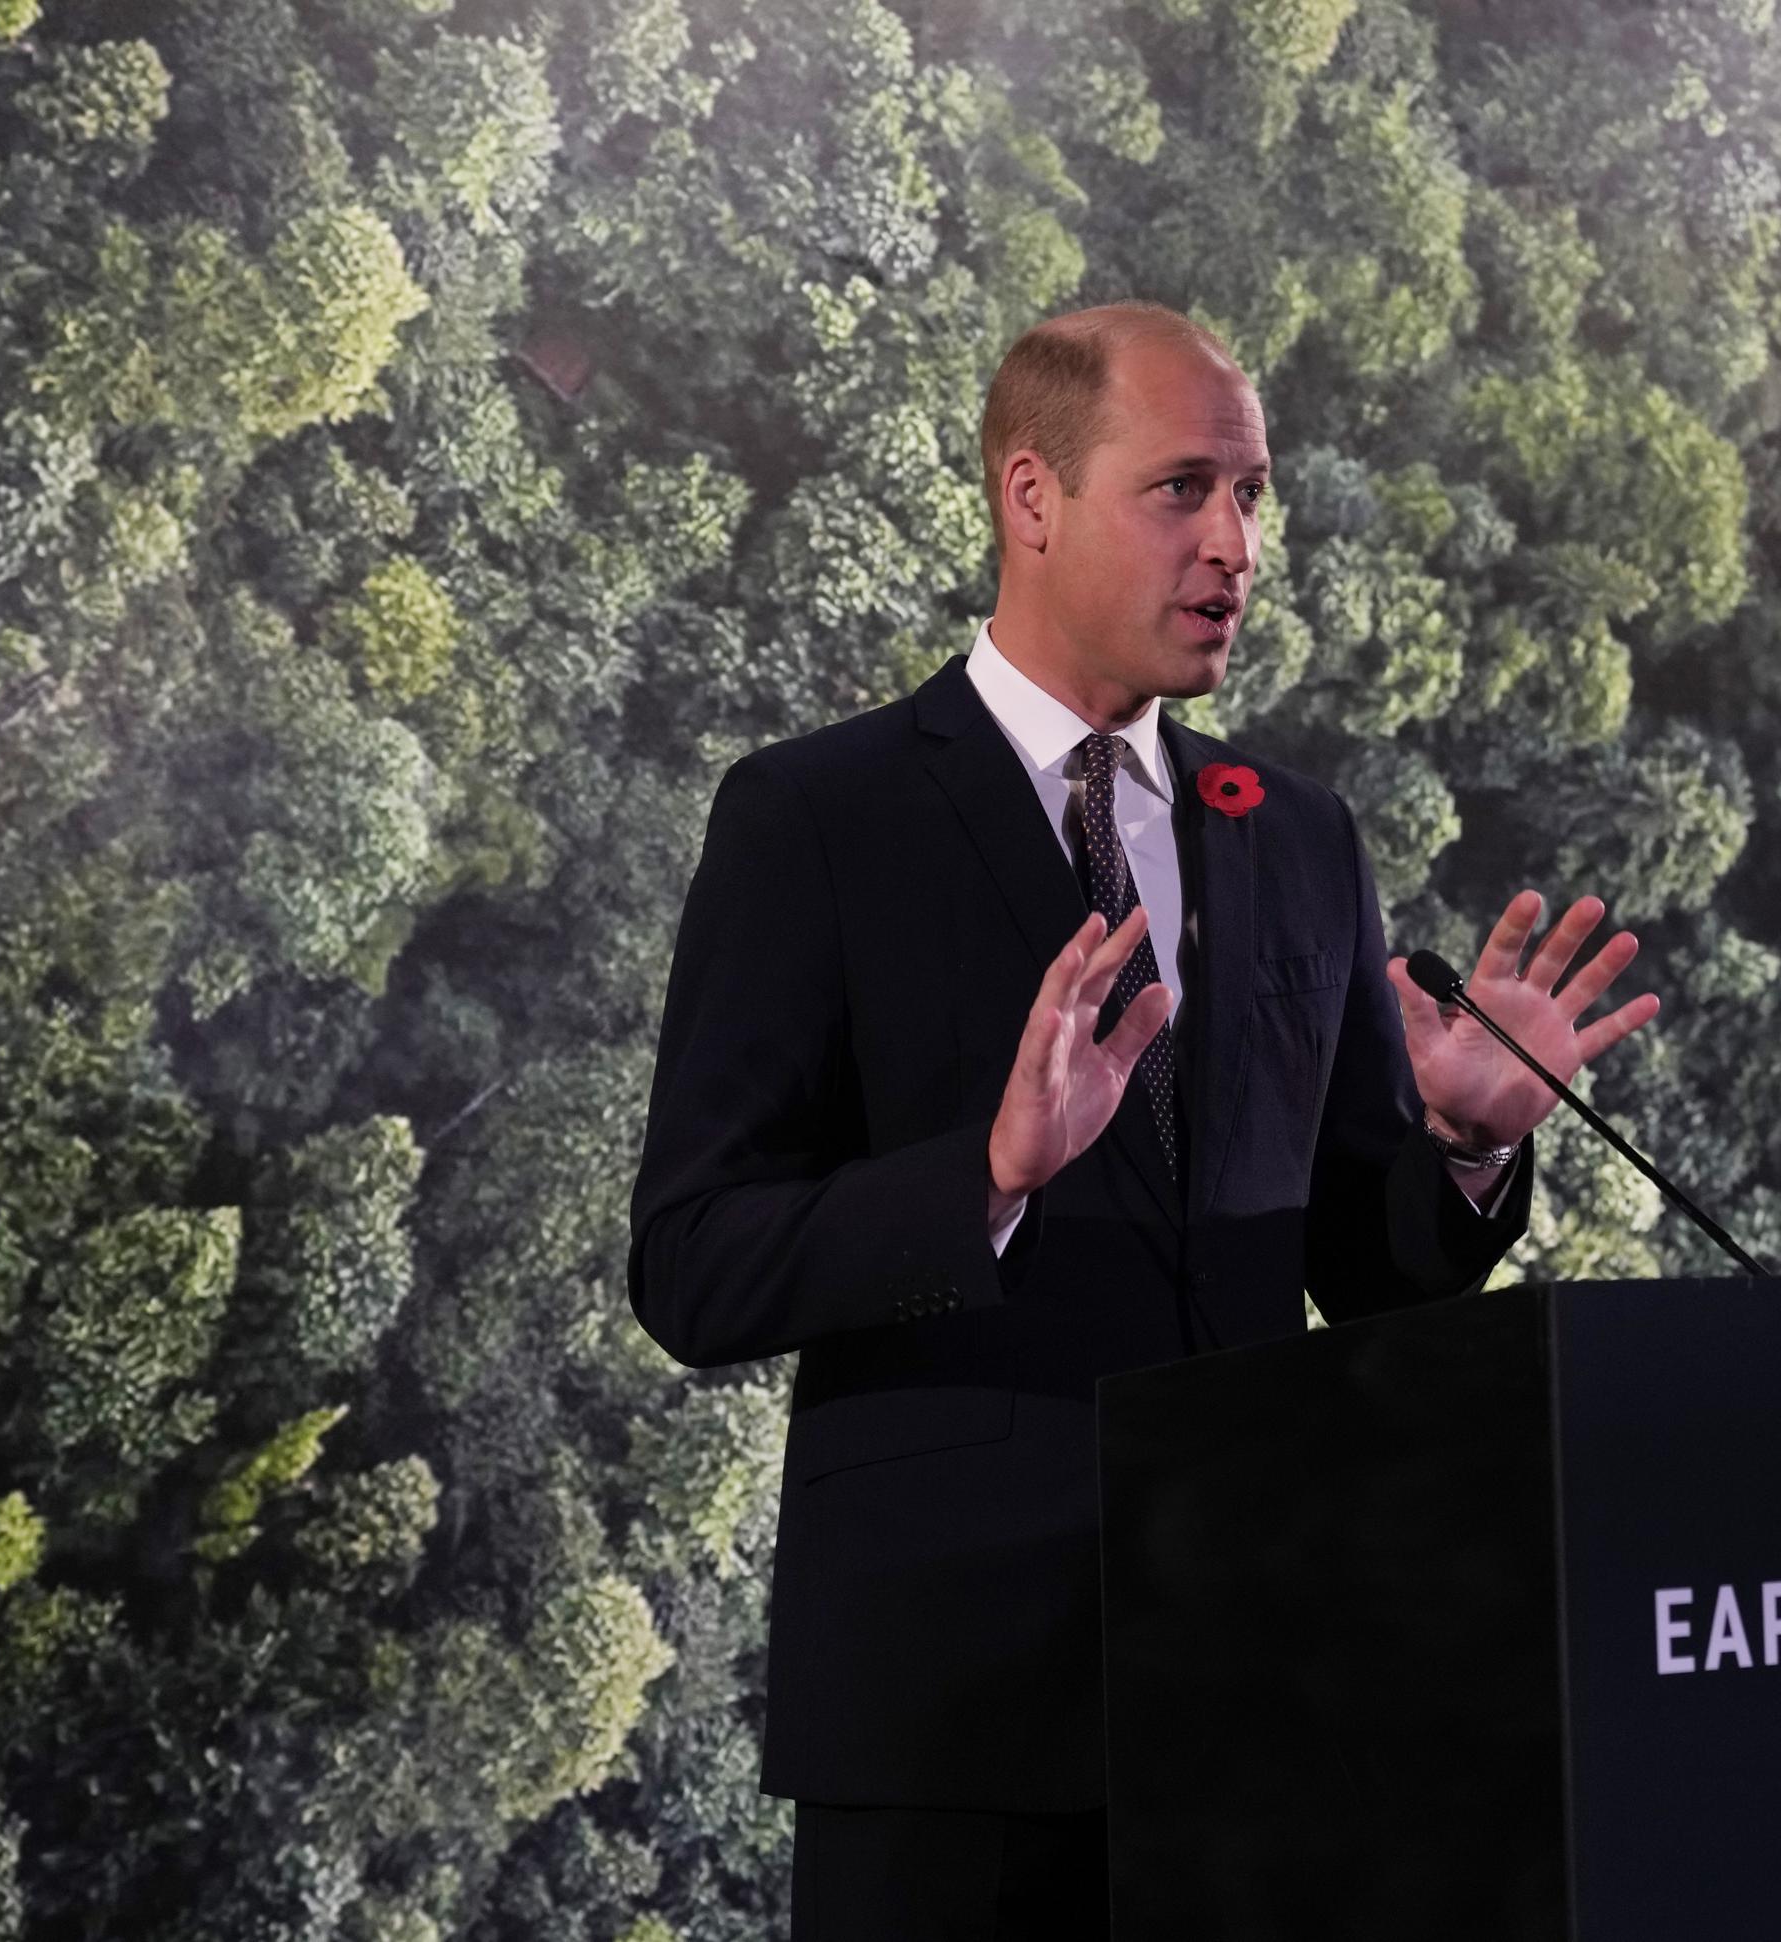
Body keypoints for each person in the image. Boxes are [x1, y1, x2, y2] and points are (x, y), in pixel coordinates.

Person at [627, 300, 1660, 1938]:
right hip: (948, 1717)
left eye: (1252, 495)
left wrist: (1463, 1145)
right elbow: (691, 1265)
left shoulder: (1298, 838)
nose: (1236, 544)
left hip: (1253, 1704)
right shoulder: (817, 817)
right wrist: (983, 1176)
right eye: (1183, 489)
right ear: (1030, 497)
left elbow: (1369, 1274)